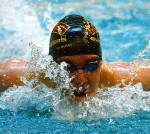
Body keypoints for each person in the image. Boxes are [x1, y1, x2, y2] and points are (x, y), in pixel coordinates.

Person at [0, 15, 150, 103]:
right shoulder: (26, 78)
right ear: (52, 65)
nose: (80, 78)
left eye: (90, 65)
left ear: (101, 62)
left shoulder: (124, 80)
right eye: (67, 66)